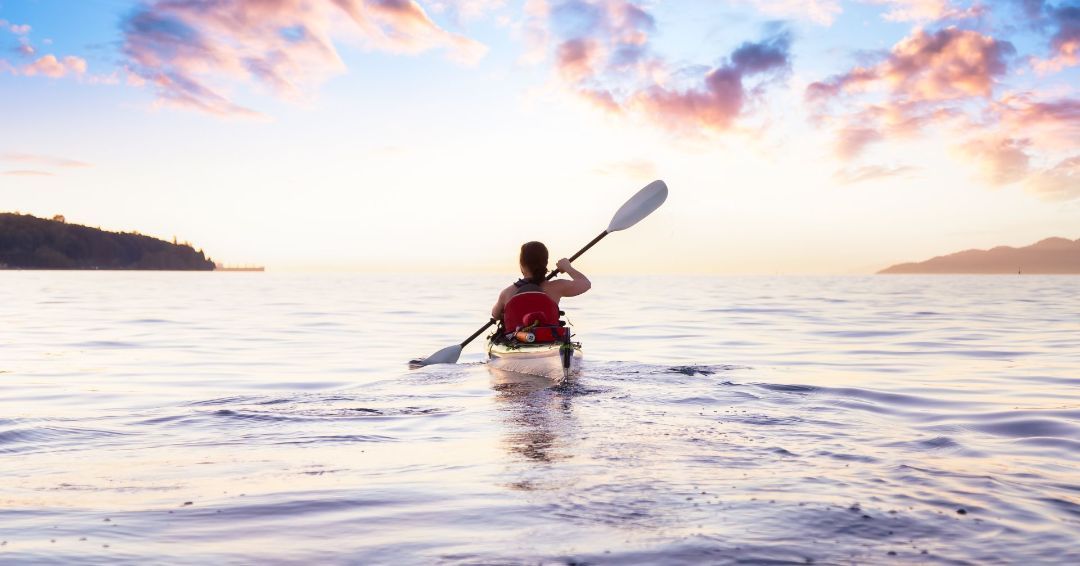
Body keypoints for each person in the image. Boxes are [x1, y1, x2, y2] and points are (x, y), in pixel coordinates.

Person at [491, 241, 591, 320]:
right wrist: (568, 267)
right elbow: (586, 284)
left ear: (521, 265)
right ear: (546, 263)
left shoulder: (507, 293)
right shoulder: (557, 287)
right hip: (548, 338)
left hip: (517, 340)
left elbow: (495, 315)